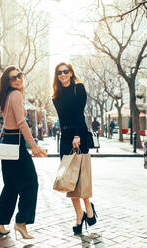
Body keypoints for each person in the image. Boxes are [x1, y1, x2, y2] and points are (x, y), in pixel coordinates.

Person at [0, 66, 47, 240]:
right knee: (31, 183)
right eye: (13, 78)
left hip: (8, 142)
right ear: (8, 82)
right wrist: (34, 147)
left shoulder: (7, 96)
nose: (17, 79)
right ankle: (21, 223)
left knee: (11, 186)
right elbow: (21, 124)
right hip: (16, 142)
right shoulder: (15, 95)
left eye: (19, 76)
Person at [52, 62, 97, 235]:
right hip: (65, 139)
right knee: (69, 179)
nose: (62, 74)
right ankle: (80, 214)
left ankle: (88, 206)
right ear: (57, 76)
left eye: (65, 71)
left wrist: (77, 135)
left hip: (79, 135)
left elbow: (78, 114)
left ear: (71, 73)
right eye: (59, 72)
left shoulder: (79, 89)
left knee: (81, 176)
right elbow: (63, 119)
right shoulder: (55, 95)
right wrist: (68, 137)